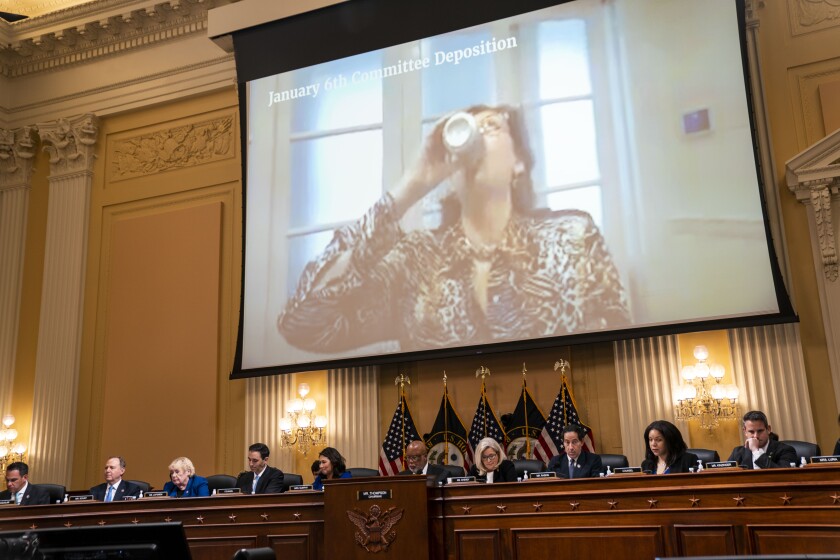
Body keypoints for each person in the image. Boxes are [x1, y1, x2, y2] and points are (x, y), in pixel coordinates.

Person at [277, 104, 629, 354]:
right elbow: (303, 324)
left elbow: (618, 344)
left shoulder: (573, 236)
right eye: (465, 133)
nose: (474, 140)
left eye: (490, 127)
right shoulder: (414, 259)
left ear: (519, 161)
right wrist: (413, 185)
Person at [727, 410, 797, 469]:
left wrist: (755, 451)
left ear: (768, 429)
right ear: (745, 431)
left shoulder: (786, 450)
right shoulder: (737, 452)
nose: (756, 436)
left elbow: (782, 475)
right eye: (751, 432)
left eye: (760, 431)